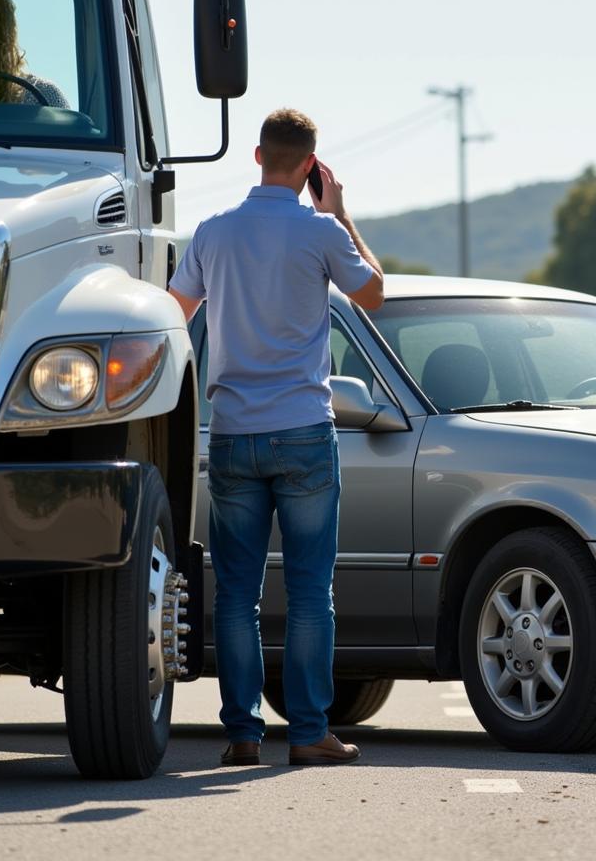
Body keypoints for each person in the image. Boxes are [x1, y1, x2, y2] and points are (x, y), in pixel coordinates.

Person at [168, 108, 384, 767]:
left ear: (258, 156)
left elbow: (174, 312)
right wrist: (342, 213)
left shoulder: (213, 232)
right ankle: (311, 732)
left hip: (232, 432)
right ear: (311, 168)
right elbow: (373, 294)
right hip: (304, 435)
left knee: (236, 592)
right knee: (311, 590)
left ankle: (241, 733)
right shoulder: (320, 232)